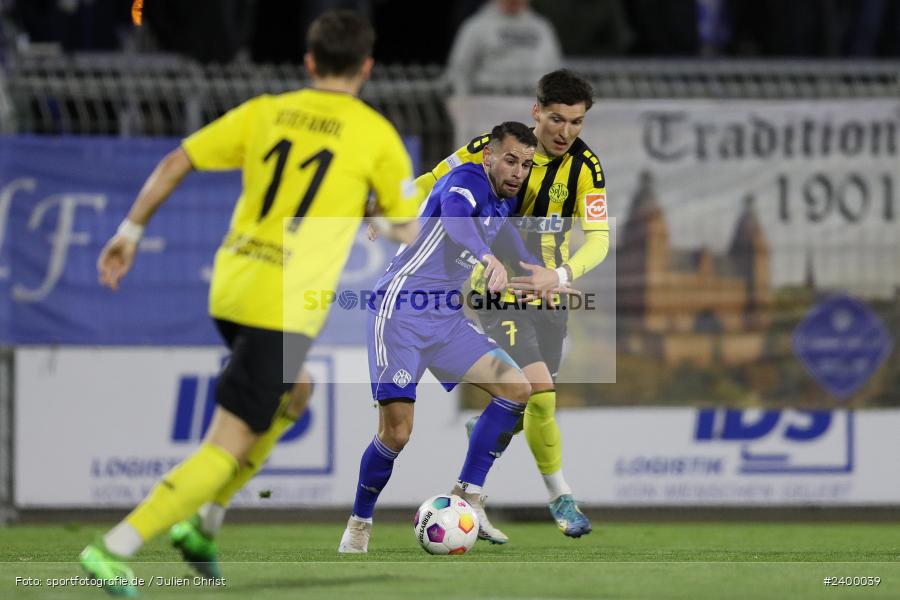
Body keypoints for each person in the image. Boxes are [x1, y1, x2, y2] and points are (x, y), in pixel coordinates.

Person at [80, 10, 418, 595]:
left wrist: (129, 233)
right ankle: (115, 547)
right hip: (281, 306)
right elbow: (406, 229)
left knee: (298, 389)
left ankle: (204, 526)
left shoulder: (267, 111)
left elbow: (175, 160)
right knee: (229, 440)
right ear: (367, 68)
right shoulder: (375, 136)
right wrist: (380, 218)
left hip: (232, 286)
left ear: (309, 62)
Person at [339, 122, 570, 552]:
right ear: (489, 157)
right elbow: (456, 219)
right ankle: (359, 523)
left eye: (525, 164)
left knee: (517, 387)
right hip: (402, 312)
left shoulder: (505, 202)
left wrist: (542, 276)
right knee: (397, 434)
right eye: (510, 160)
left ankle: (469, 496)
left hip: (445, 320)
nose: (518, 171)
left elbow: (509, 241)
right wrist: (486, 258)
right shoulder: (465, 180)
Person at [414, 69, 610, 540]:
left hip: (549, 296)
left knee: (533, 407)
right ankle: (562, 498)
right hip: (496, 291)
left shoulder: (587, 169)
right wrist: (385, 204)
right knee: (540, 392)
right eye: (558, 119)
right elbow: (434, 179)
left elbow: (599, 241)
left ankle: (487, 433)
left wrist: (558, 276)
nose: (566, 132)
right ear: (536, 111)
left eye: (577, 122)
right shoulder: (498, 147)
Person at [446, 0, 562, 95]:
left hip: (532, 105)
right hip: (488, 103)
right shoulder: (476, 26)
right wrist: (463, 102)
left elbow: (554, 69)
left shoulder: (543, 28)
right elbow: (459, 70)